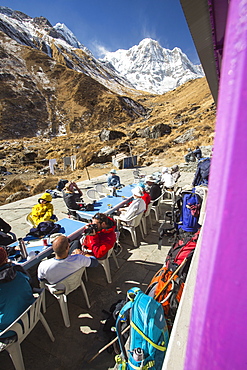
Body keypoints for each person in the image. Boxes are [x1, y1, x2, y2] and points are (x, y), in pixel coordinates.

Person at [0, 247, 35, 339]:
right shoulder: (18, 272)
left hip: (7, 330)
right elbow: (31, 284)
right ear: (6, 258)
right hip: (30, 314)